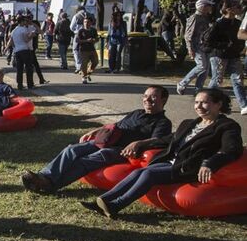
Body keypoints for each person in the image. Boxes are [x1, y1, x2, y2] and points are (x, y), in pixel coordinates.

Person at [81, 88, 243, 217]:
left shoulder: (226, 126)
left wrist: (210, 164)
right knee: (141, 171)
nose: (199, 107)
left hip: (188, 166)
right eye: (196, 102)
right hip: (171, 161)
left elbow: (231, 149)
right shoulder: (189, 123)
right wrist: (141, 143)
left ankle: (115, 205)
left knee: (148, 174)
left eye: (204, 103)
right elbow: (169, 139)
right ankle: (104, 201)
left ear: (218, 104)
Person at [21, 86, 173, 194]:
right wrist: (95, 131)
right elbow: (116, 125)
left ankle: (50, 185)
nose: (147, 99)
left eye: (153, 96)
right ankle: (44, 176)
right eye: (145, 96)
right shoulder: (136, 112)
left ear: (164, 99)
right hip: (107, 140)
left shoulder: (162, 122)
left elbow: (158, 140)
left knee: (86, 160)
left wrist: (138, 143)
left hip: (120, 150)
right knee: (71, 149)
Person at [205, 0, 246, 115]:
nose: (239, 8)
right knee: (217, 81)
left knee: (238, 80)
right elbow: (209, 41)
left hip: (234, 55)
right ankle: (207, 100)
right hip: (219, 56)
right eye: (236, 6)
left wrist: (240, 47)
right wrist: (224, 45)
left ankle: (244, 105)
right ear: (228, 9)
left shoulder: (238, 23)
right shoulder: (219, 23)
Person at [177, 0, 214, 95]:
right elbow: (188, 34)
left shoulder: (206, 17)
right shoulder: (194, 17)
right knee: (201, 66)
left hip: (206, 46)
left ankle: (198, 90)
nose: (210, 7)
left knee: (205, 70)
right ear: (202, 7)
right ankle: (182, 83)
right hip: (196, 46)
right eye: (208, 5)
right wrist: (190, 49)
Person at [10, 16, 36, 90]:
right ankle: (30, 84)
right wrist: (32, 35)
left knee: (19, 69)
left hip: (17, 51)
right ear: (21, 22)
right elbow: (26, 40)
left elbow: (11, 41)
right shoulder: (24, 29)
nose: (26, 22)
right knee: (28, 68)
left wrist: (15, 48)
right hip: (24, 50)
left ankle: (20, 84)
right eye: (24, 21)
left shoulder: (14, 30)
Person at [76, 16, 99, 84]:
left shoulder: (93, 30)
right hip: (83, 50)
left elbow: (97, 38)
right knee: (84, 64)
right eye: (85, 22)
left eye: (88, 22)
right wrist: (86, 40)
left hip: (92, 49)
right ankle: (84, 77)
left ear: (91, 23)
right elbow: (77, 40)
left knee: (95, 62)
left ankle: (88, 72)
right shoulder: (81, 31)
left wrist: (95, 40)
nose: (86, 23)